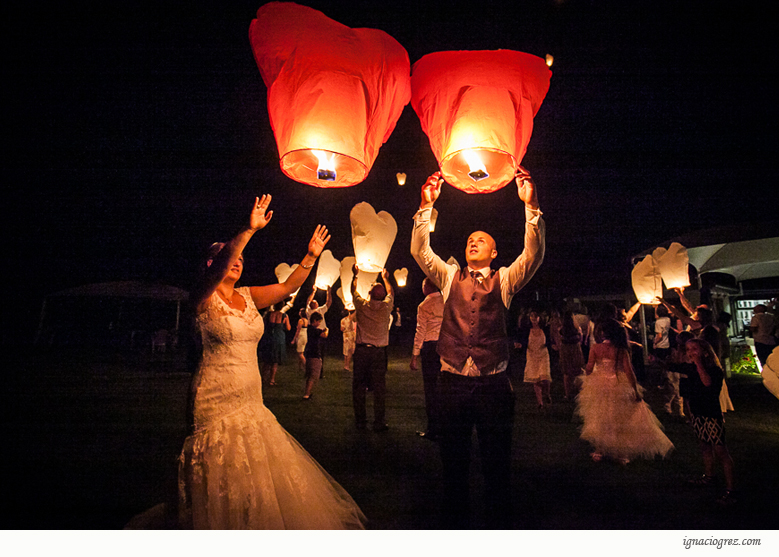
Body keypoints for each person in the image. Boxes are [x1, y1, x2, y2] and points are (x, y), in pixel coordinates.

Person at [177, 195, 365, 529]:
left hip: (251, 398)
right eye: (226, 256)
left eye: (238, 257)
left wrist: (310, 256)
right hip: (213, 399)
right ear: (211, 265)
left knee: (254, 477)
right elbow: (223, 263)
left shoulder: (249, 295)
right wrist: (249, 230)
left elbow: (289, 286)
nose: (236, 261)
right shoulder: (202, 296)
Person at [410, 167, 545, 528]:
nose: (473, 242)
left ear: (494, 250)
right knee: (453, 462)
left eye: (481, 240)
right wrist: (426, 207)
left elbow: (532, 255)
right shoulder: (449, 276)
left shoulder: (505, 280)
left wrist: (530, 207)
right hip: (451, 382)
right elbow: (420, 251)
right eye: (470, 239)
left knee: (496, 463)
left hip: (493, 385)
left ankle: (498, 527)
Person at [574, 318, 674, 465]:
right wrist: (635, 390)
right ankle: (620, 452)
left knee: (600, 416)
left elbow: (589, 368)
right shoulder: (621, 350)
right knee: (619, 418)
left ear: (603, 334)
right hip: (618, 384)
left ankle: (599, 450)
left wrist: (589, 375)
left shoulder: (596, 348)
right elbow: (629, 372)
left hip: (599, 384)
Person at [681, 338, 737, 505]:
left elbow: (707, 383)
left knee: (721, 451)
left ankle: (730, 489)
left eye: (694, 349)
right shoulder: (690, 370)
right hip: (698, 415)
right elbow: (688, 394)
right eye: (688, 349)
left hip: (712, 415)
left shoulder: (714, 370)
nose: (691, 352)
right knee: (704, 446)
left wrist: (698, 364)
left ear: (705, 352)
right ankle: (709, 476)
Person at [351, 265, 394, 432]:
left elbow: (353, 290)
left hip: (362, 352)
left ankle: (361, 421)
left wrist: (355, 275)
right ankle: (379, 422)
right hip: (379, 353)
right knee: (379, 388)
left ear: (369, 294)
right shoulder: (386, 308)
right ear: (382, 296)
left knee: (359, 387)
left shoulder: (361, 306)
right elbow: (391, 293)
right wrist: (385, 277)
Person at [410, 277, 445, 440]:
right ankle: (447, 427)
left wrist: (415, 355)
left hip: (431, 347)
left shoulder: (424, 305)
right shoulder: (447, 301)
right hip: (447, 346)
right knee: (445, 387)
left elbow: (421, 330)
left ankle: (433, 428)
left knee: (431, 388)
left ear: (426, 287)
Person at [518, 310, 552, 409]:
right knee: (535, 379)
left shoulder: (545, 329)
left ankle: (547, 394)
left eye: (535, 316)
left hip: (543, 354)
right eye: (531, 316)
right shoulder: (526, 330)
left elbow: (549, 340)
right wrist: (520, 345)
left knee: (544, 377)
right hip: (532, 355)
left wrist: (553, 345)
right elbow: (523, 341)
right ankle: (540, 402)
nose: (533, 318)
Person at [558, 309, 585, 401]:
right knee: (578, 370)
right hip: (575, 348)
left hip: (565, 349)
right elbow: (580, 338)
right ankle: (580, 391)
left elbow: (559, 339)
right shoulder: (576, 328)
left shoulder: (562, 329)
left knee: (566, 373)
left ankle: (567, 394)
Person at [261, 304, 290, 386]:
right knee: (275, 361)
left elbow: (263, 324)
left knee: (267, 360)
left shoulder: (268, 314)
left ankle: (263, 378)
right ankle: (272, 380)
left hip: (269, 337)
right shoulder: (284, 316)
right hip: (279, 338)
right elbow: (288, 328)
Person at [303, 312, 328, 400]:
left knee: (310, 375)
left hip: (309, 353)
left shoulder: (309, 328)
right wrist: (326, 329)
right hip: (314, 354)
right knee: (313, 376)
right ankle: (307, 394)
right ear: (315, 320)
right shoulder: (314, 329)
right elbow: (324, 335)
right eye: (319, 321)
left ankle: (308, 393)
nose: (319, 324)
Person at [290, 308, 308, 374]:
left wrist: (294, 339)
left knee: (300, 353)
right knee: (301, 351)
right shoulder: (306, 320)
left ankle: (307, 367)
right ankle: (300, 367)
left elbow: (298, 330)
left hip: (301, 336)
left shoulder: (301, 320)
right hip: (305, 336)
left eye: (300, 311)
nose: (299, 312)